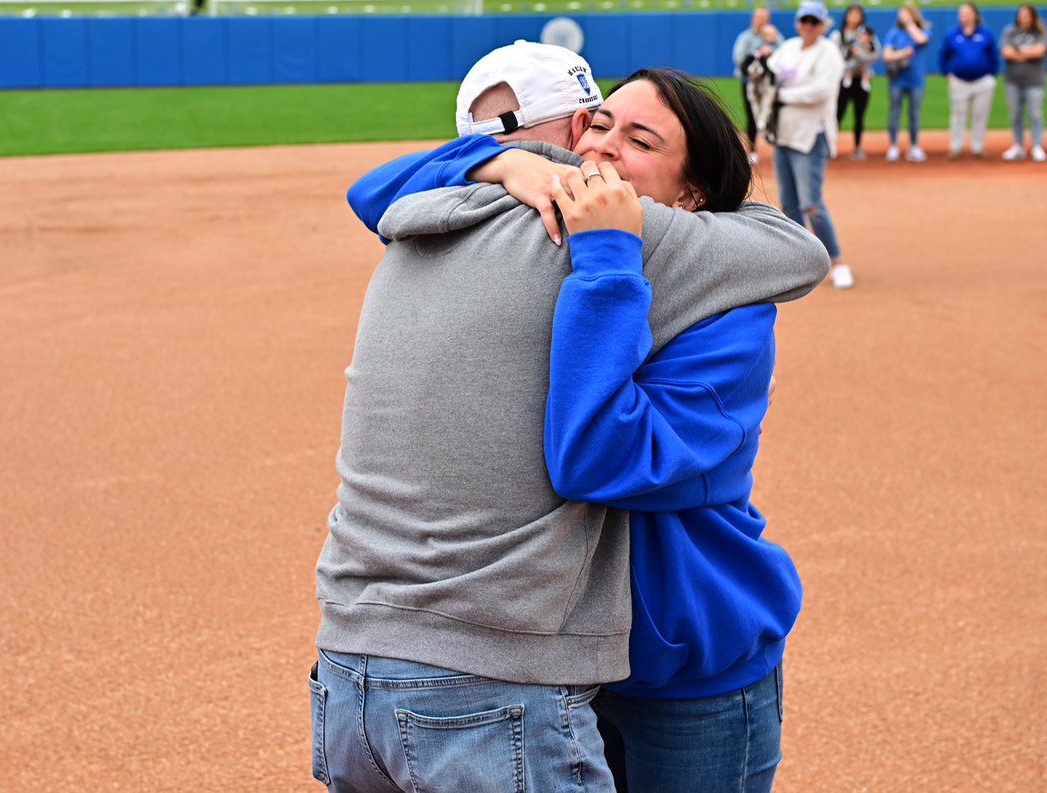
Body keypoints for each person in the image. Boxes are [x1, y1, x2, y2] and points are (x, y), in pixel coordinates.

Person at [313, 42, 829, 793]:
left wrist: (610, 255)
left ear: (690, 198)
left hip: (683, 661)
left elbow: (604, 457)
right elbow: (374, 194)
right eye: (599, 125)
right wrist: (507, 164)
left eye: (640, 141)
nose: (602, 149)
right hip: (567, 652)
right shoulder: (552, 230)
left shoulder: (718, 295)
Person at [768, 1, 853, 290]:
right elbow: (769, 74)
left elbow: (820, 91)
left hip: (810, 137)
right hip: (783, 134)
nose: (808, 25)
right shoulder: (788, 47)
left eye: (813, 21)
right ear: (797, 22)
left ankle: (838, 261)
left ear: (823, 24)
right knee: (790, 205)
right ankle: (801, 262)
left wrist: (781, 95)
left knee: (812, 204)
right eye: (804, 20)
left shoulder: (829, 52)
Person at [940, 2, 1001, 159]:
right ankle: (955, 147)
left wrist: (991, 75)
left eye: (967, 12)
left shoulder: (985, 33)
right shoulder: (953, 33)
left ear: (975, 15)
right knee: (958, 114)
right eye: (961, 13)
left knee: (980, 114)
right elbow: (944, 55)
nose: (963, 16)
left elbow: (994, 56)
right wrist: (947, 73)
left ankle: (977, 147)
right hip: (959, 81)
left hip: (982, 81)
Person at [733, 6, 784, 164]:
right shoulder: (745, 37)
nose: (762, 20)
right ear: (753, 18)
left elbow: (785, 55)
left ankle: (779, 148)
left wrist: (772, 48)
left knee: (774, 114)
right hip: (751, 83)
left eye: (765, 17)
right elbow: (738, 58)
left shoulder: (776, 36)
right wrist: (758, 53)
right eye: (759, 17)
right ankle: (752, 151)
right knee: (752, 116)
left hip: (770, 84)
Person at [883, 2, 932, 162]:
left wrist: (910, 23)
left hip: (916, 80)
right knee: (894, 113)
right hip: (897, 79)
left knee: (914, 114)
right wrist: (903, 53)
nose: (902, 16)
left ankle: (914, 146)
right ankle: (893, 146)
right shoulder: (894, 32)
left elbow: (921, 39)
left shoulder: (922, 29)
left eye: (906, 13)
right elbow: (887, 55)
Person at [832, 3, 880, 159]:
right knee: (837, 114)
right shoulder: (838, 35)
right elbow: (833, 58)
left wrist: (858, 53)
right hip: (843, 79)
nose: (854, 18)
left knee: (859, 114)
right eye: (851, 14)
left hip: (861, 79)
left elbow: (875, 54)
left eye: (857, 15)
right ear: (846, 16)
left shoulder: (868, 34)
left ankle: (857, 147)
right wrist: (848, 66)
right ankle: (830, 146)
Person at [1000, 4, 1047, 161]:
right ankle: (1018, 146)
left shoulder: (1040, 31)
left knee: (1035, 114)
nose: (1024, 18)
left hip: (1034, 80)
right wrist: (1028, 52)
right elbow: (1006, 52)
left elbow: (1039, 51)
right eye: (1021, 14)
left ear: (1033, 16)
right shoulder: (1010, 31)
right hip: (1013, 80)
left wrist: (1018, 51)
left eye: (1027, 15)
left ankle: (1037, 146)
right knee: (1015, 115)